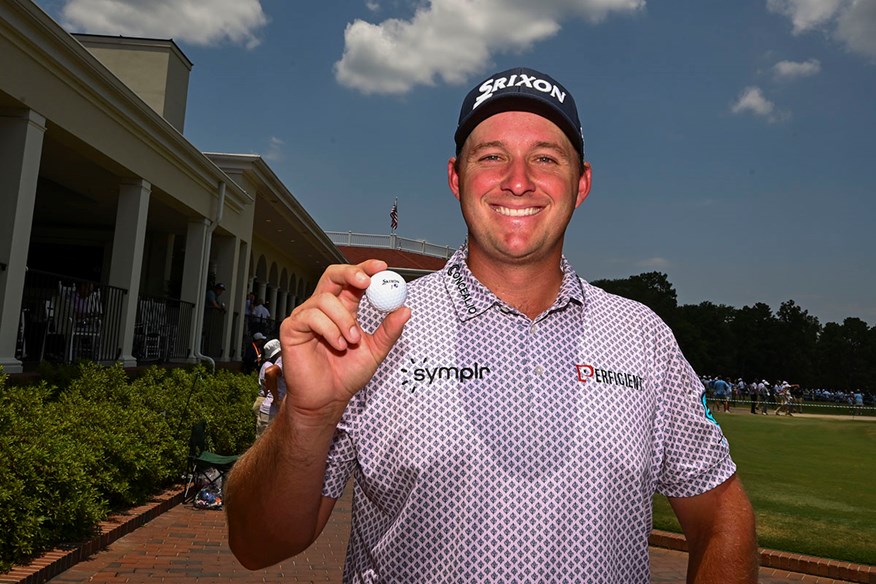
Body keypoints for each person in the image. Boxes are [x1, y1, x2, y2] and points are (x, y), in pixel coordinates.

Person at [225, 66, 757, 582]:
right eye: (492, 156)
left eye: (545, 158)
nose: (518, 181)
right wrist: (308, 414)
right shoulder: (370, 329)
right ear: (457, 177)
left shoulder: (642, 336)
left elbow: (722, 515)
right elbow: (256, 545)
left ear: (582, 183)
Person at [255, 339, 285, 438]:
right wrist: (277, 400)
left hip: (269, 412)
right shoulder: (282, 360)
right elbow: (270, 372)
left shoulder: (276, 362)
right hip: (273, 413)